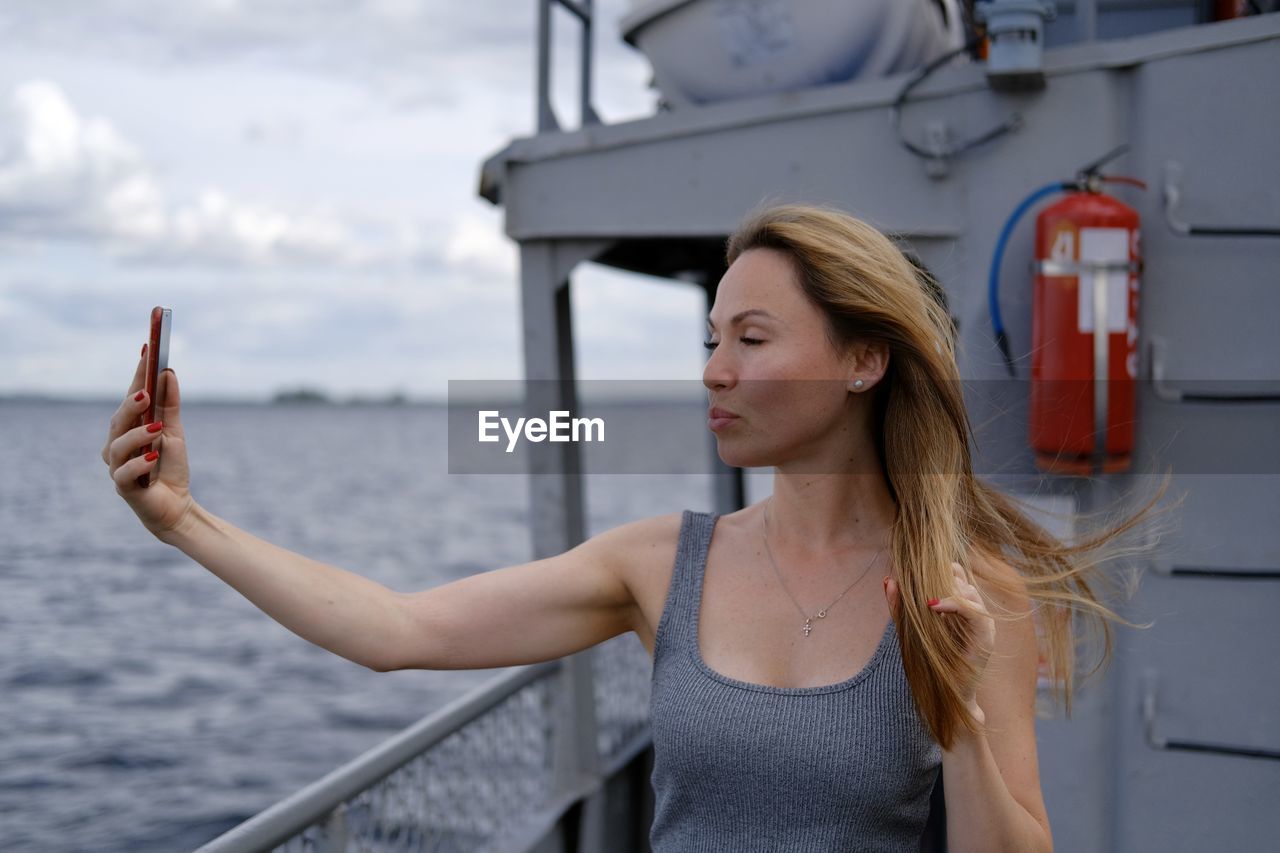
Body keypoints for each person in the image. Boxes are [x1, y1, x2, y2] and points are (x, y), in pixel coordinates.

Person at [104, 202, 1175, 852]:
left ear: (861, 360)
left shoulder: (966, 591)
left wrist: (960, 722)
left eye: (751, 338)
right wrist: (186, 521)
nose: (713, 369)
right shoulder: (661, 562)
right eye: (711, 336)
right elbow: (398, 630)